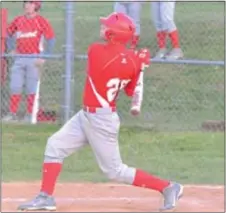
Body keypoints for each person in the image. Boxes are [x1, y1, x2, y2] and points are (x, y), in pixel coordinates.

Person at [17, 12, 183, 212]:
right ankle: (46, 197)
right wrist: (138, 64)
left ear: (114, 34)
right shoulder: (131, 62)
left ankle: (167, 187)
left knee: (115, 171)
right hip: (87, 115)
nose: (103, 28)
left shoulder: (96, 51)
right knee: (55, 145)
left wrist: (135, 59)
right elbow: (130, 90)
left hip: (101, 120)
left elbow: (115, 58)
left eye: (107, 27)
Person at [2, 0, 55, 123]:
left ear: (37, 6)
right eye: (26, 2)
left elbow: (51, 39)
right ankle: (13, 114)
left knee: (31, 88)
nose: (27, 5)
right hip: (19, 58)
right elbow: (8, 34)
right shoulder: (18, 20)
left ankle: (29, 114)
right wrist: (11, 49)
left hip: (34, 58)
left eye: (31, 3)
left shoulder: (41, 21)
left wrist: (44, 56)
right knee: (15, 86)